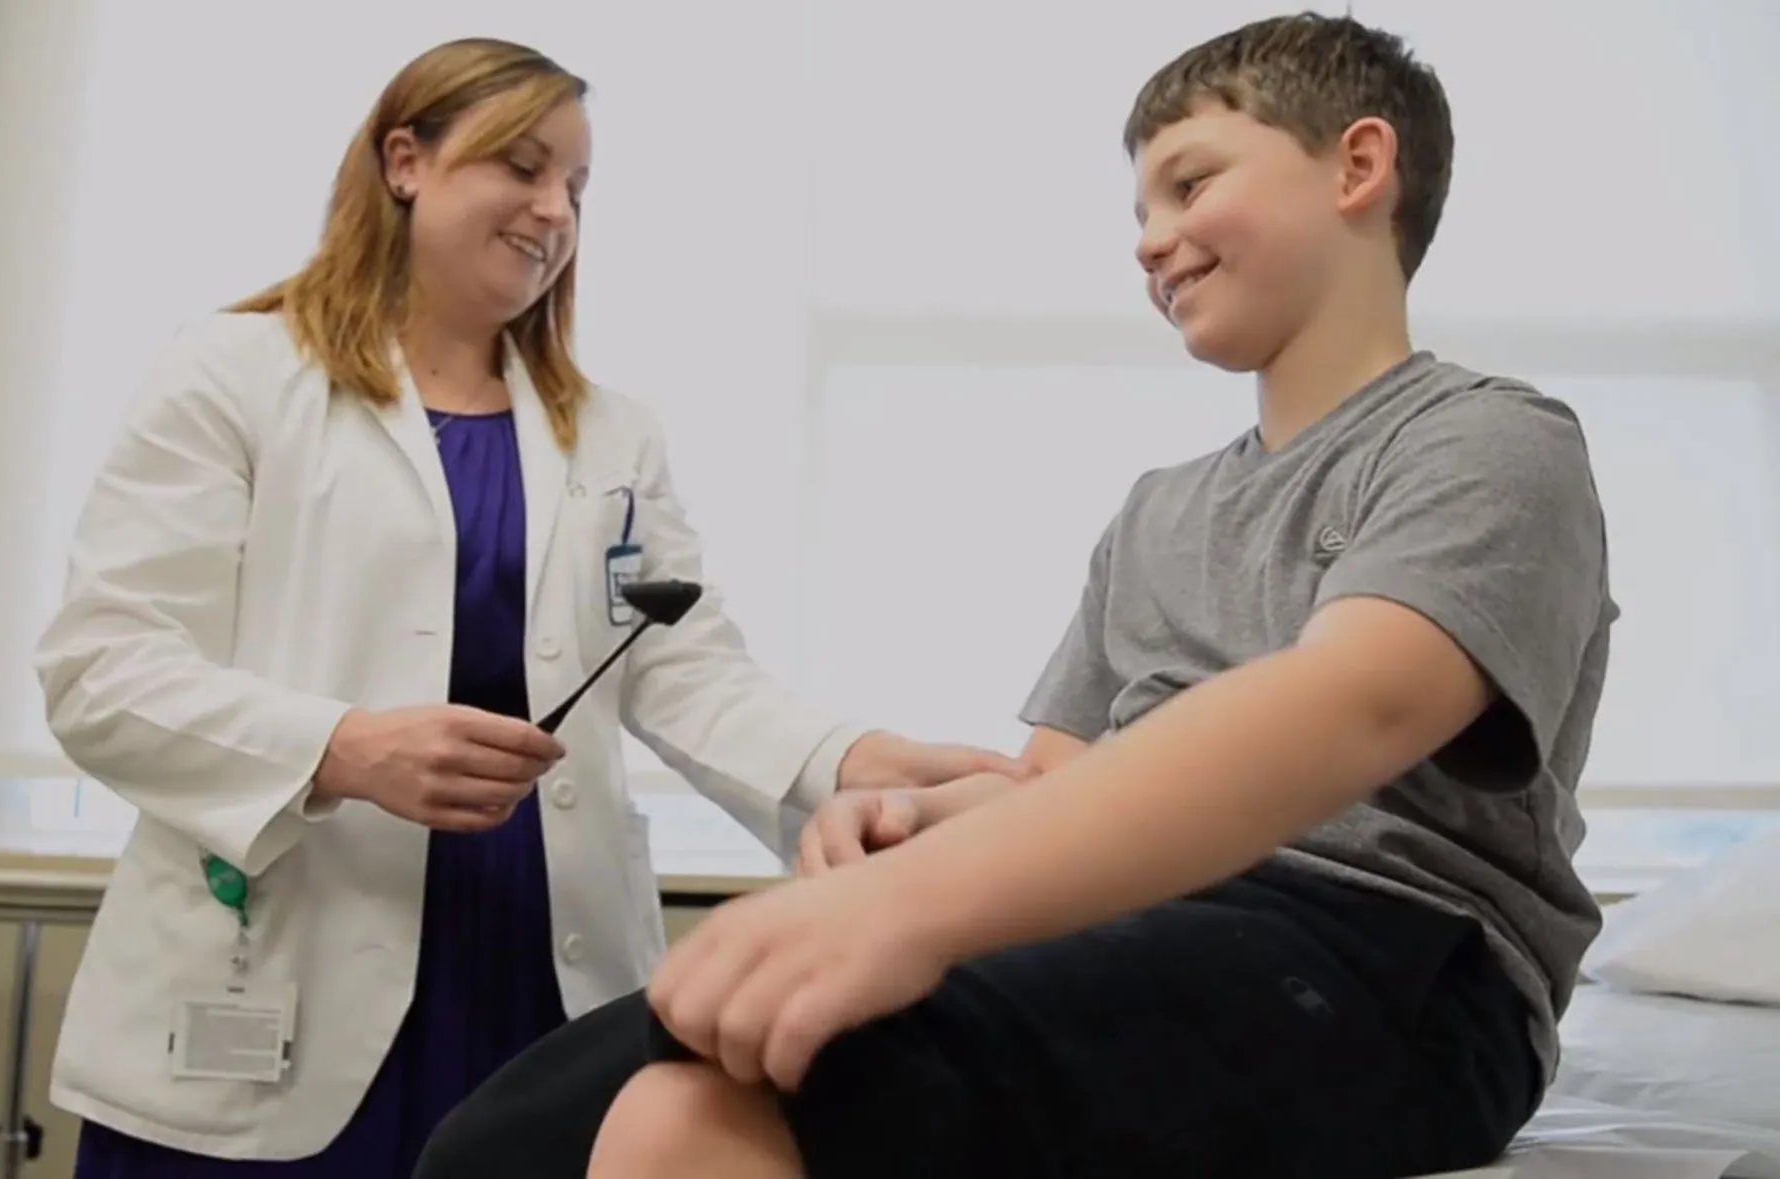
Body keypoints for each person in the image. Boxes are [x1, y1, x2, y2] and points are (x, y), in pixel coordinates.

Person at [412, 13, 1619, 1179]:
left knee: (704, 1110)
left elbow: (1348, 709)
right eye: (1139, 210)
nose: (1150, 240)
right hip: (1141, 914)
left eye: (1190, 185)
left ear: (1357, 165)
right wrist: (909, 833)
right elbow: (1053, 792)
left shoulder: (1483, 442)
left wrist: (916, 910)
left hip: (1388, 954)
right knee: (501, 1145)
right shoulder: (1156, 511)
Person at [32, 37, 1018, 1176]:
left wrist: (862, 763)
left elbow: (680, 669)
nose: (554, 210)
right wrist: (340, 749)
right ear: (405, 160)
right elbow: (101, 670)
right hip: (288, 935)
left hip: (530, 958)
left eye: (578, 190)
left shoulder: (610, 434)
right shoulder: (233, 377)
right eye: (523, 166)